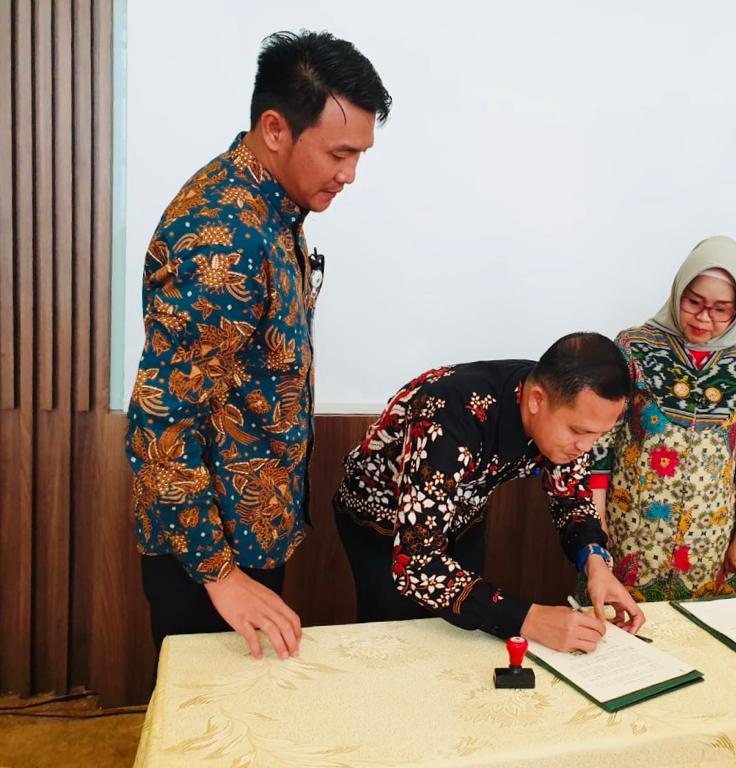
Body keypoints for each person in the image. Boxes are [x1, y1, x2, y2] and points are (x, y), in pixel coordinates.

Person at [125, 31, 391, 659]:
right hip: (210, 560)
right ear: (275, 129)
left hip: (249, 537)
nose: (350, 175)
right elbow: (162, 420)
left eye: (359, 156)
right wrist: (219, 574)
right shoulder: (225, 235)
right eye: (339, 154)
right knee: (207, 717)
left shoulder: (272, 211)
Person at [334, 332, 646, 653]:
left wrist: (596, 562)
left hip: (463, 514)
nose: (586, 447)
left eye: (598, 435)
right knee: (399, 642)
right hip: (385, 524)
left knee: (465, 633)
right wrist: (531, 619)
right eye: (579, 431)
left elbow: (572, 497)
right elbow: (416, 565)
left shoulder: (560, 405)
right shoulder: (447, 418)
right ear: (536, 401)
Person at [589, 236, 736, 602]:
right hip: (629, 529)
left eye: (721, 309)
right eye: (694, 302)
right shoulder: (633, 347)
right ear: (678, 291)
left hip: (709, 540)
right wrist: (595, 521)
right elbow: (601, 439)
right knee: (617, 625)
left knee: (698, 628)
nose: (704, 318)